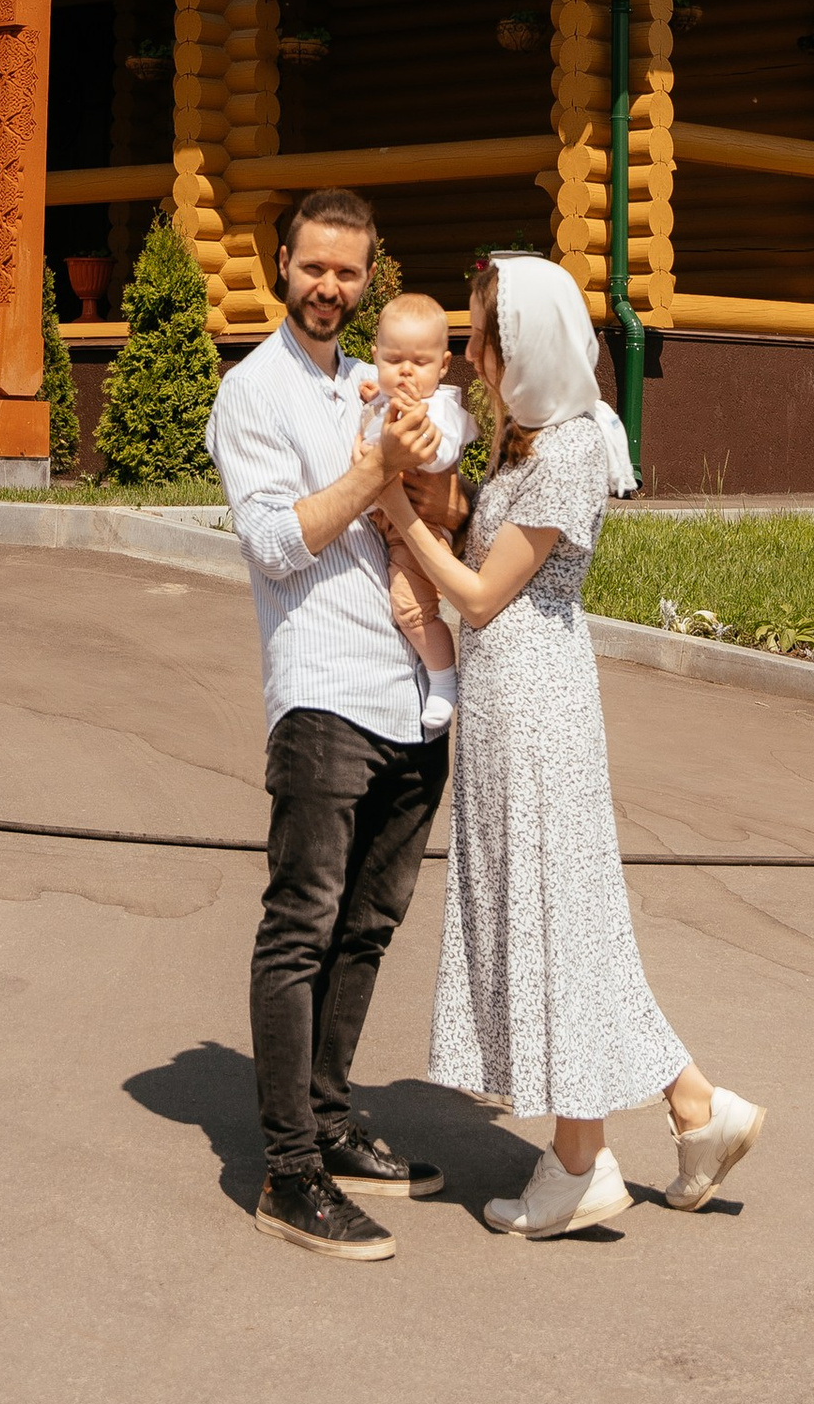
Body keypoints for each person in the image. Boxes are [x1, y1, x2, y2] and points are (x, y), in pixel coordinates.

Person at [377, 253, 767, 1239]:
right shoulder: (530, 436)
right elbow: (476, 549)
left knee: (552, 921)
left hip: (539, 709)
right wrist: (437, 492)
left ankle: (581, 1160)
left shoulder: (572, 449)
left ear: (530, 346)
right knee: (567, 921)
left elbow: (477, 593)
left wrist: (386, 507)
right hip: (507, 703)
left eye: (481, 338)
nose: (468, 353)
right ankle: (695, 1108)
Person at [205, 189, 459, 1262]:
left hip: (414, 689)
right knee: (301, 925)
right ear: (282, 264)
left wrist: (420, 464)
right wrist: (376, 471)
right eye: (314, 267)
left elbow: (444, 495)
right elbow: (275, 543)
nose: (329, 288)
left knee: (368, 922)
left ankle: (330, 1112)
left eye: (349, 272)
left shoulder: (374, 379)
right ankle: (288, 1170)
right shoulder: (252, 393)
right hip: (321, 693)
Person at [361, 288, 473, 676]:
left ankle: (443, 677)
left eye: (419, 362)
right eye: (394, 360)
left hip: (420, 525)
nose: (406, 371)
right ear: (376, 360)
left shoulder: (439, 407)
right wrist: (375, 399)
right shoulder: (384, 396)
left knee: (411, 608)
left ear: (443, 366)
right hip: (381, 520)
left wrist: (418, 426)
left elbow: (442, 455)